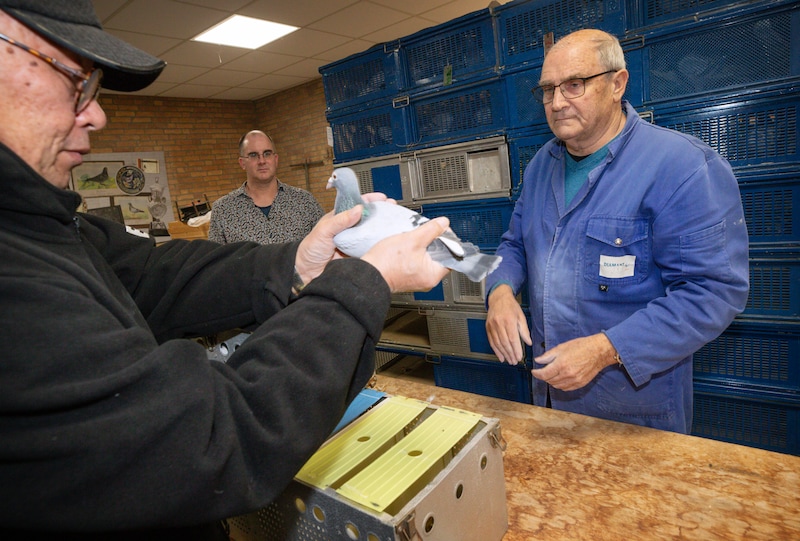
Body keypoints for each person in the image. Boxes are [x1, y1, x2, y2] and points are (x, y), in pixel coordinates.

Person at [0, 1, 450, 538]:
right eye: (77, 80)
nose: (96, 114)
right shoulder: (15, 279)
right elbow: (213, 440)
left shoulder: (45, 224)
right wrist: (363, 282)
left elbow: (154, 273)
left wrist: (297, 262)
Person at [485, 29, 749, 434]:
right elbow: (515, 244)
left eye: (574, 85)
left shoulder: (681, 167)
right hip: (551, 398)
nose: (557, 102)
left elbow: (713, 292)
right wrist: (500, 292)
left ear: (617, 84)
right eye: (548, 90)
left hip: (634, 411)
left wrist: (606, 349)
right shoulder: (540, 166)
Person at [208, 130, 324, 244]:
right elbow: (215, 256)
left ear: (275, 159)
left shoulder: (305, 202)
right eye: (253, 155)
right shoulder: (223, 210)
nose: (262, 161)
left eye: (267, 154)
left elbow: (328, 244)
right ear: (242, 163)